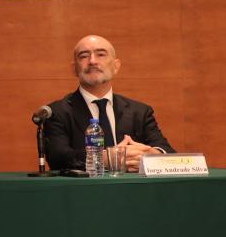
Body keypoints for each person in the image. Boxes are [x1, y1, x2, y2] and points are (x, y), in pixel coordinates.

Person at [44, 34, 174, 172]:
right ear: (74, 69)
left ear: (116, 66)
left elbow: (168, 152)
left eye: (101, 54)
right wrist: (107, 158)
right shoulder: (56, 112)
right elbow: (57, 158)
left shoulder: (140, 112)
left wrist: (148, 155)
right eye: (84, 56)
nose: (92, 61)